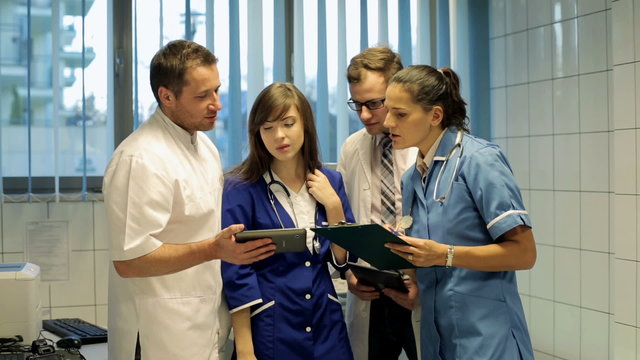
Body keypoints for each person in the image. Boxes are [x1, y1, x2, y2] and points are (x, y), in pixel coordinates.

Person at [103, 40, 276, 360]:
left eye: (216, 90)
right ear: (166, 96)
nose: (217, 104)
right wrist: (213, 249)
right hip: (160, 336)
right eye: (202, 96)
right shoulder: (139, 158)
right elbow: (128, 262)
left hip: (203, 326)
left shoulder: (206, 148)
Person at [383, 65, 536, 359]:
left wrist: (445, 254)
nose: (388, 122)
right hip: (438, 337)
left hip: (488, 337)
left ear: (435, 115)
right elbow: (429, 257)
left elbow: (524, 253)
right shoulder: (412, 178)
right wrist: (410, 279)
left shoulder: (479, 161)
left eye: (400, 114)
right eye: (388, 111)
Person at [221, 82, 355, 360]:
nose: (279, 135)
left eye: (288, 123)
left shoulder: (331, 182)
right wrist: (245, 349)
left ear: (305, 123)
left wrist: (333, 206)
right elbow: (236, 272)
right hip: (271, 327)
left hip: (326, 324)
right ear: (257, 133)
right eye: (267, 128)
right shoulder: (240, 187)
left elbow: (342, 261)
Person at [337, 46, 420, 360]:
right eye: (356, 104)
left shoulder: (423, 145)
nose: (364, 115)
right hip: (371, 287)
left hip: (419, 286)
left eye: (374, 103)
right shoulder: (351, 148)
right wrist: (349, 276)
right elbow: (345, 222)